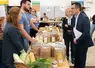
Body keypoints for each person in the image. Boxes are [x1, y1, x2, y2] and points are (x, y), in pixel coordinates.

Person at [71, 2, 94, 68]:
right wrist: (74, 38)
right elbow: (73, 28)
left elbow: (86, 33)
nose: (71, 9)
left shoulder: (84, 18)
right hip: (76, 41)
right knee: (76, 59)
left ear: (77, 9)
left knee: (81, 60)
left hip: (83, 42)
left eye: (72, 8)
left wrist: (77, 40)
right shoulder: (74, 17)